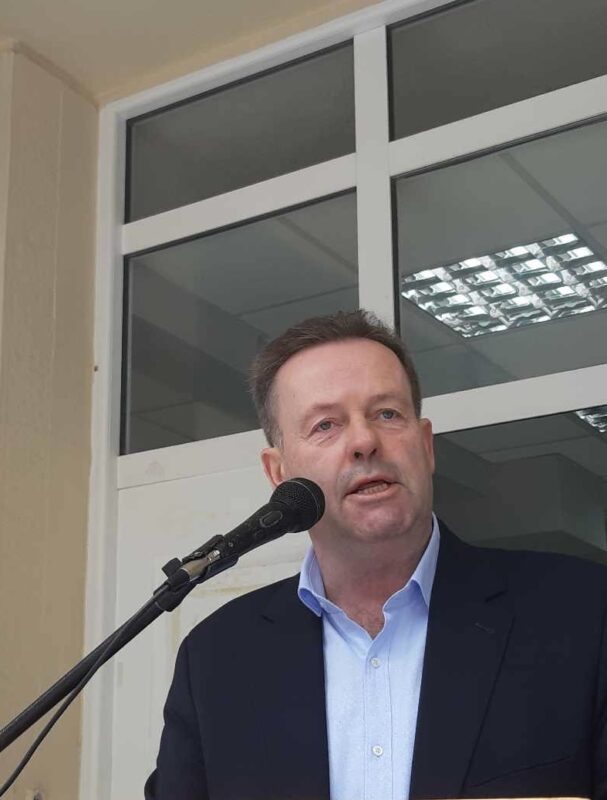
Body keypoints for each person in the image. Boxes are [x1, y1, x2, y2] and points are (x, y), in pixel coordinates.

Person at [145, 309, 607, 800]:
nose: (364, 441)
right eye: (325, 425)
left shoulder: (583, 612)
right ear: (279, 474)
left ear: (425, 446)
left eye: (387, 414)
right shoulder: (215, 659)